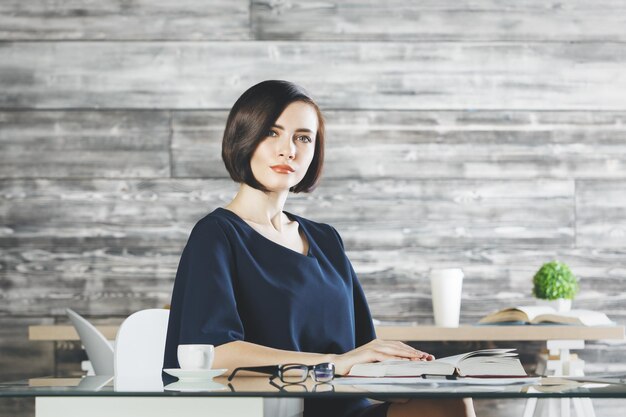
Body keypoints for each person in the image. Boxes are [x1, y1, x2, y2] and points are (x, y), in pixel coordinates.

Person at [163, 80, 476, 417]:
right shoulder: (216, 235)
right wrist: (334, 364)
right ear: (244, 137)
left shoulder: (326, 240)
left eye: (303, 137)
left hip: (345, 408)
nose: (289, 150)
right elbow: (215, 355)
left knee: (451, 398)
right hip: (275, 412)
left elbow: (361, 351)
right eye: (272, 133)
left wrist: (406, 372)